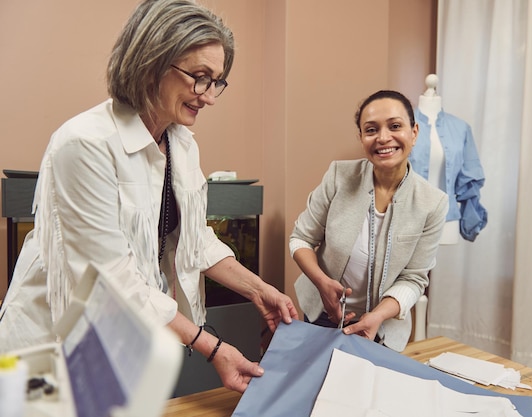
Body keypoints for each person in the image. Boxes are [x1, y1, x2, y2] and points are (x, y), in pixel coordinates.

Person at [0, 0, 297, 393]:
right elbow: (110, 282)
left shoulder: (182, 145)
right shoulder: (84, 144)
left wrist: (261, 290)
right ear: (152, 62)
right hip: (49, 344)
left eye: (216, 81)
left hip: (121, 342)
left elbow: (195, 240)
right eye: (199, 77)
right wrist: (214, 348)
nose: (207, 96)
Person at [290, 90, 449, 352]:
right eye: (371, 130)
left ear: (414, 132)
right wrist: (320, 281)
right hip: (322, 314)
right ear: (362, 138)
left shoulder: (433, 203)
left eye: (395, 126)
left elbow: (414, 279)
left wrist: (377, 316)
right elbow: (300, 239)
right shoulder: (339, 176)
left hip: (383, 327)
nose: (383, 138)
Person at [409, 74, 487, 242]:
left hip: (447, 220)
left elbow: (470, 180)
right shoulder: (402, 126)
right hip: (408, 217)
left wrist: (471, 221)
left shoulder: (461, 128)